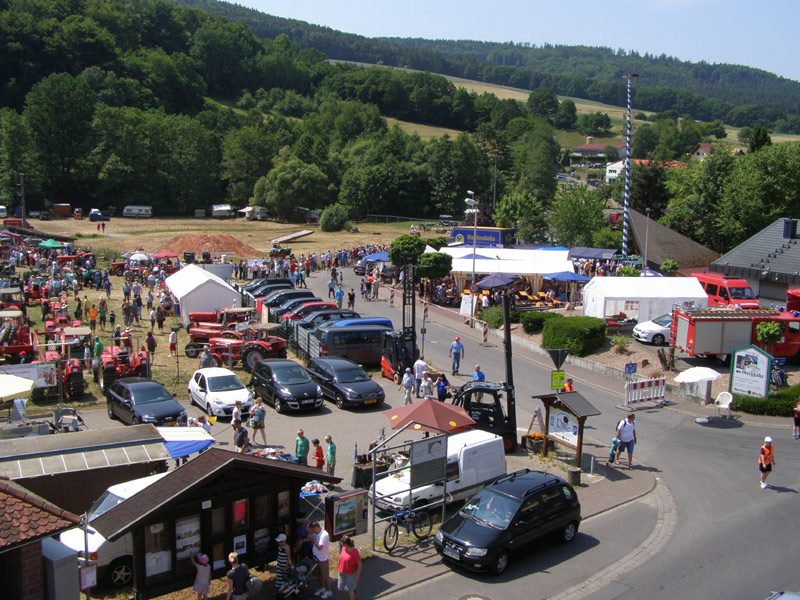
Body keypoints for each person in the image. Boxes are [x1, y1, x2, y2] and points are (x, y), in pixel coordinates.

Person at [309, 522, 332, 598]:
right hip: (316, 558)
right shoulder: (316, 533)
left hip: (323, 559)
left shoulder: (324, 535)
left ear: (316, 528)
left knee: (325, 576)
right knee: (319, 575)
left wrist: (314, 541)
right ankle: (322, 588)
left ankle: (329, 591)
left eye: (313, 530)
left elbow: (320, 547)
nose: (313, 532)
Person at [336, 535, 362, 600]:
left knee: (349, 590)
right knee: (340, 587)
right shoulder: (344, 548)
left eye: (342, 543)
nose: (341, 544)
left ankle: (352, 594)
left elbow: (360, 564)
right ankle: (352, 588)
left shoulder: (355, 552)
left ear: (346, 544)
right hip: (342, 571)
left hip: (351, 573)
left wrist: (357, 576)